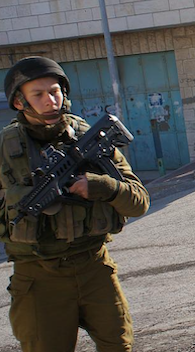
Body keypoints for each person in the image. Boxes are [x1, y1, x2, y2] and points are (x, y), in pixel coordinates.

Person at [0, 56, 150, 352]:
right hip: (39, 276)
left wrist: (101, 186)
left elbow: (139, 202)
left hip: (94, 266)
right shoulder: (4, 150)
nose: (50, 101)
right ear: (19, 102)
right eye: (38, 95)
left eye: (55, 91)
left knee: (119, 346)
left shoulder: (89, 138)